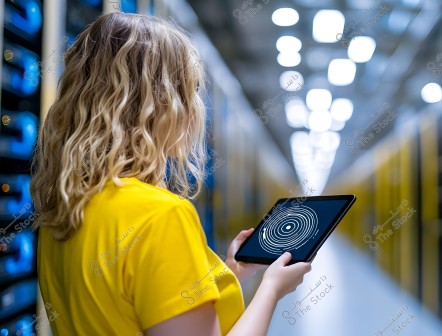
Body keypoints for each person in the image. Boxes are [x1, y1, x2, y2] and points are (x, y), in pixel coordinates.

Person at [30, 12, 311, 336]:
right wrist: (271, 289)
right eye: (190, 91)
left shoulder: (62, 209)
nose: (196, 107)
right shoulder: (163, 216)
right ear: (160, 104)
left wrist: (230, 272)